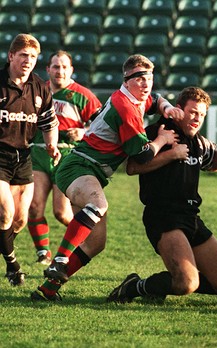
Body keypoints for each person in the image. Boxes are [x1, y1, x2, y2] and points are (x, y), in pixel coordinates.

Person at [30, 54, 184, 301]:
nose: (146, 83)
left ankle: (48, 290)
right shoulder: (125, 106)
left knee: (95, 244)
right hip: (79, 166)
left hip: (90, 170)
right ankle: (58, 259)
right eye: (140, 78)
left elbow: (155, 100)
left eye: (150, 78)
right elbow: (143, 156)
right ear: (127, 79)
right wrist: (163, 140)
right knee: (98, 205)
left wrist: (167, 107)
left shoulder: (135, 98)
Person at [107, 86, 217, 303]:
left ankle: (158, 285)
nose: (197, 118)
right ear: (179, 109)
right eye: (193, 112)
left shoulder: (198, 141)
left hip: (191, 217)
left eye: (202, 114)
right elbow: (133, 167)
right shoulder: (158, 131)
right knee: (187, 283)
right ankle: (134, 287)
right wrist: (172, 154)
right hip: (163, 216)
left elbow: (213, 163)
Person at [28, 50, 102, 266]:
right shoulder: (35, 91)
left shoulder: (83, 95)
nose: (59, 71)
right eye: (55, 67)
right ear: (48, 69)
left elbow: (103, 125)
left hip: (67, 157)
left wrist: (84, 132)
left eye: (64, 67)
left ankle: (81, 244)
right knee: (34, 207)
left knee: (62, 212)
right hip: (39, 153)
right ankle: (43, 253)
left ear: (71, 70)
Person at [0, 33, 61, 286]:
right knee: (5, 213)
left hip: (23, 158)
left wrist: (52, 144)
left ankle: (6, 251)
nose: (28, 60)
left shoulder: (40, 87)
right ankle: (13, 266)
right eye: (23, 55)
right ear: (11, 55)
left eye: (33, 57)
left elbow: (50, 122)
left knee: (20, 220)